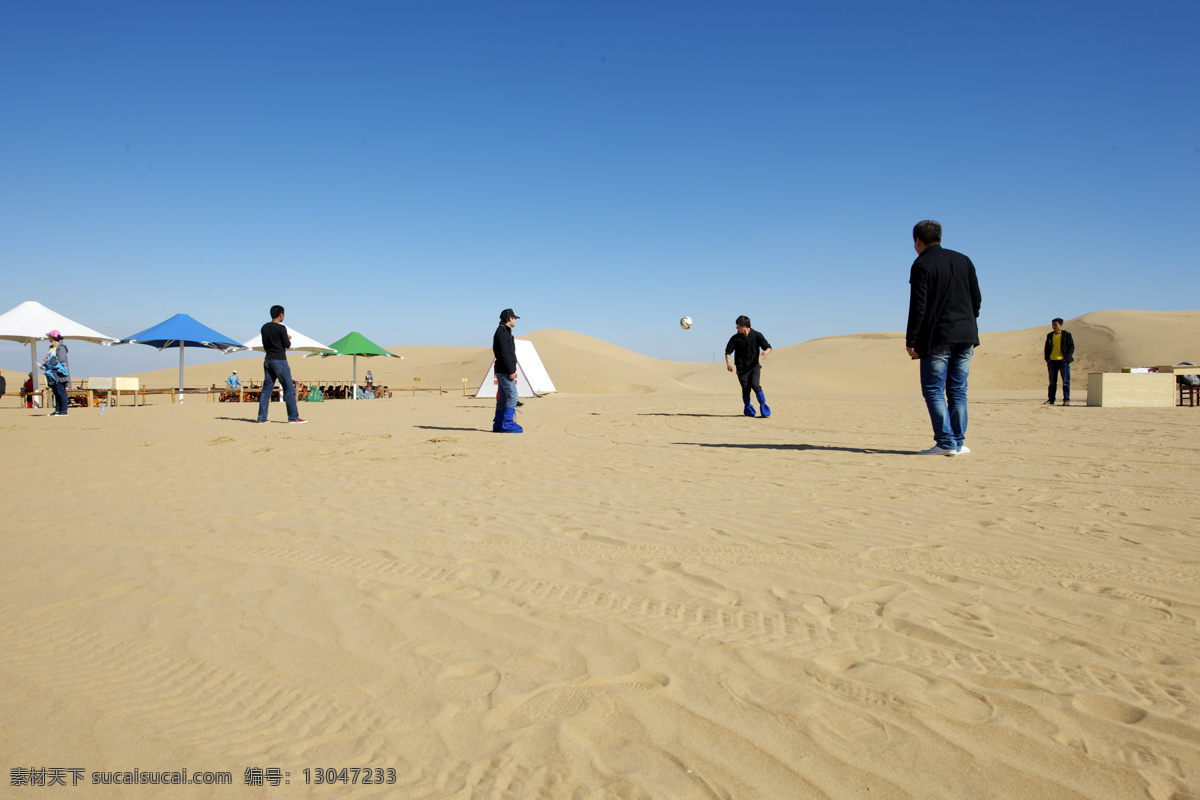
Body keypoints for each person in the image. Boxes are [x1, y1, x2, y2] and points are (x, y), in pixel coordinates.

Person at [905, 220, 981, 455]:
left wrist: (911, 340)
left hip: (937, 336)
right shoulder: (963, 260)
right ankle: (957, 442)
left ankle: (946, 442)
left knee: (934, 389)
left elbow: (919, 306)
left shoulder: (922, 264)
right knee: (958, 389)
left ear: (918, 240)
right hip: (966, 334)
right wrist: (967, 320)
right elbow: (976, 299)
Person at [256, 305, 306, 424]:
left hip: (268, 359)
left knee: (267, 390)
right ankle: (293, 417)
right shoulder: (281, 328)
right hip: (279, 359)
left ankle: (261, 418)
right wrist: (287, 338)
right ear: (281, 315)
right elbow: (287, 345)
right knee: (289, 388)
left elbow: (266, 345)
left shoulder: (264, 327)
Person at [725, 316, 773, 417]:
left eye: (737, 325)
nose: (736, 328)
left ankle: (764, 408)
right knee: (746, 389)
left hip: (754, 366)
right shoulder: (735, 338)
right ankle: (748, 409)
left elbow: (768, 347)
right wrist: (728, 363)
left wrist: (766, 352)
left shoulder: (757, 335)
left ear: (744, 326)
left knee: (755, 385)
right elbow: (728, 351)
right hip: (741, 368)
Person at [492, 308, 522, 433]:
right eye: (514, 318)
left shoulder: (503, 332)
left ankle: (499, 424)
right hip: (505, 370)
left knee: (503, 398)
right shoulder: (503, 332)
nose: (515, 320)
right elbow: (505, 354)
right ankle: (507, 424)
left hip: (502, 370)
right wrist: (511, 371)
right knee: (513, 396)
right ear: (510, 318)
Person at [1044, 318, 1075, 406]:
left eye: (1055, 325)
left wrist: (1066, 358)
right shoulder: (1050, 335)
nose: (1054, 326)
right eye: (1053, 324)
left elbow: (1071, 347)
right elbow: (1046, 348)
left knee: (1065, 382)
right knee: (1052, 383)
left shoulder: (1067, 335)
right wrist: (1047, 358)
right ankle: (1051, 399)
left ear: (1060, 325)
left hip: (1063, 362)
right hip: (1052, 361)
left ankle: (1066, 399)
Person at [40, 330, 71, 417]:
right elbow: (50, 359)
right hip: (51, 374)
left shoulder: (61, 347)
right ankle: (57, 410)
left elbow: (60, 359)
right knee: (56, 392)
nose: (48, 338)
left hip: (60, 374)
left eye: (49, 336)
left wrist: (48, 361)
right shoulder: (51, 347)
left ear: (52, 337)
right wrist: (44, 364)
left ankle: (64, 411)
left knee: (61, 391)